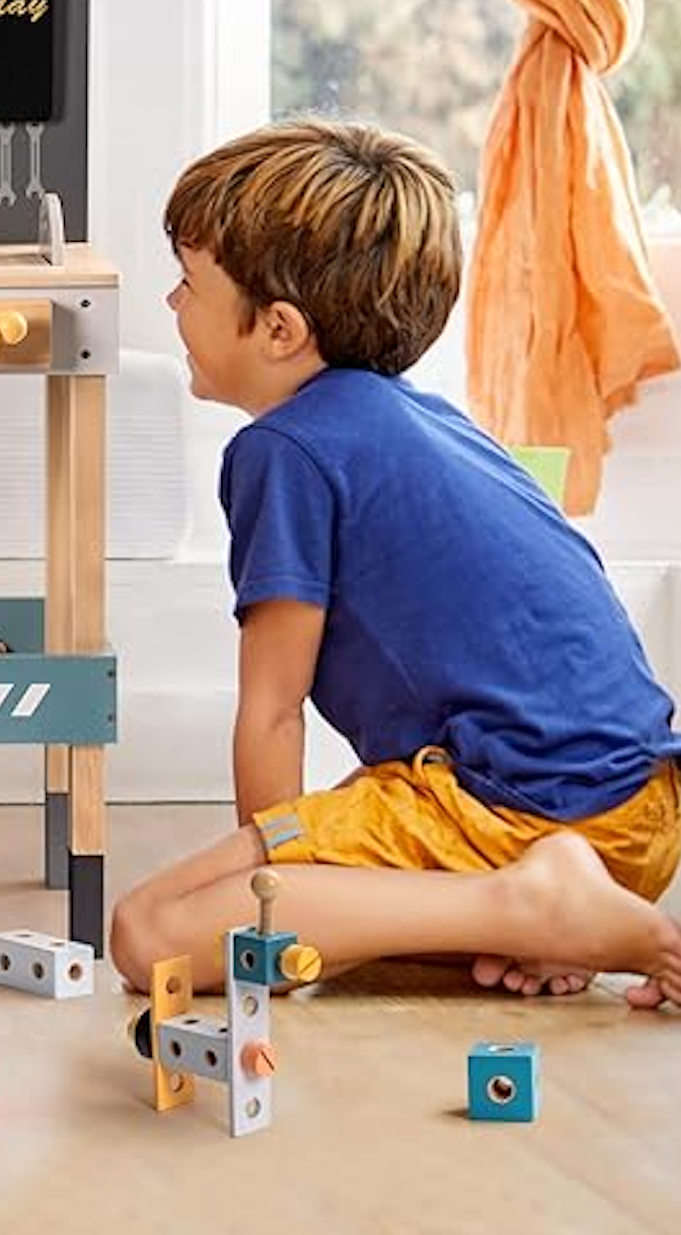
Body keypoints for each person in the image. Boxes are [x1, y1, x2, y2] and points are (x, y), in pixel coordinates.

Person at [107, 119, 681, 1009]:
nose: (174, 304)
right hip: (638, 810)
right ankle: (545, 918)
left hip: (526, 809)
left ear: (279, 329)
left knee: (153, 934)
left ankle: (533, 902)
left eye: (189, 283)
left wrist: (263, 907)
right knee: (357, 930)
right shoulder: (424, 420)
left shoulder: (285, 452)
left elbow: (273, 712)